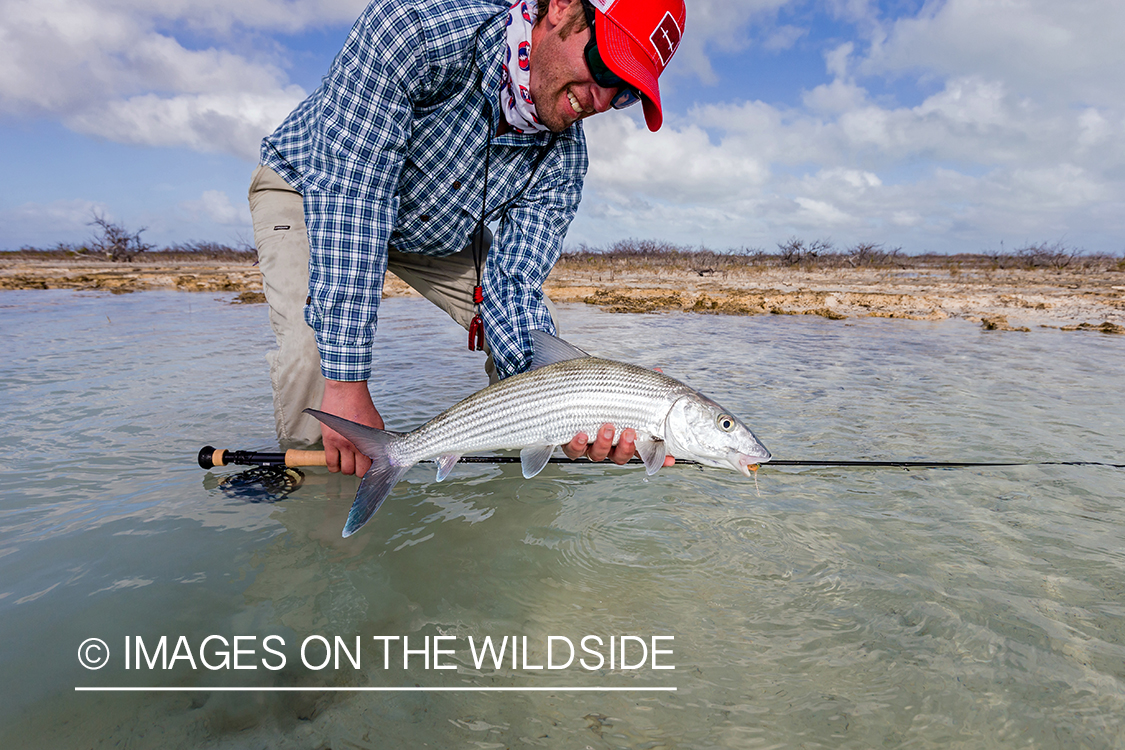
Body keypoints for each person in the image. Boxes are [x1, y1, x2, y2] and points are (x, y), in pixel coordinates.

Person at [248, 0, 685, 476]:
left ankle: (514, 504)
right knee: (315, 358)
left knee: (538, 337)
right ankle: (309, 491)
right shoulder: (414, 29)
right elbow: (357, 201)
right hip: (314, 187)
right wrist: (348, 383)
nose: (600, 99)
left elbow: (513, 285)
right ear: (559, 7)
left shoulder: (564, 162)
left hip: (437, 228)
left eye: (623, 93)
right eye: (604, 65)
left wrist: (567, 410)